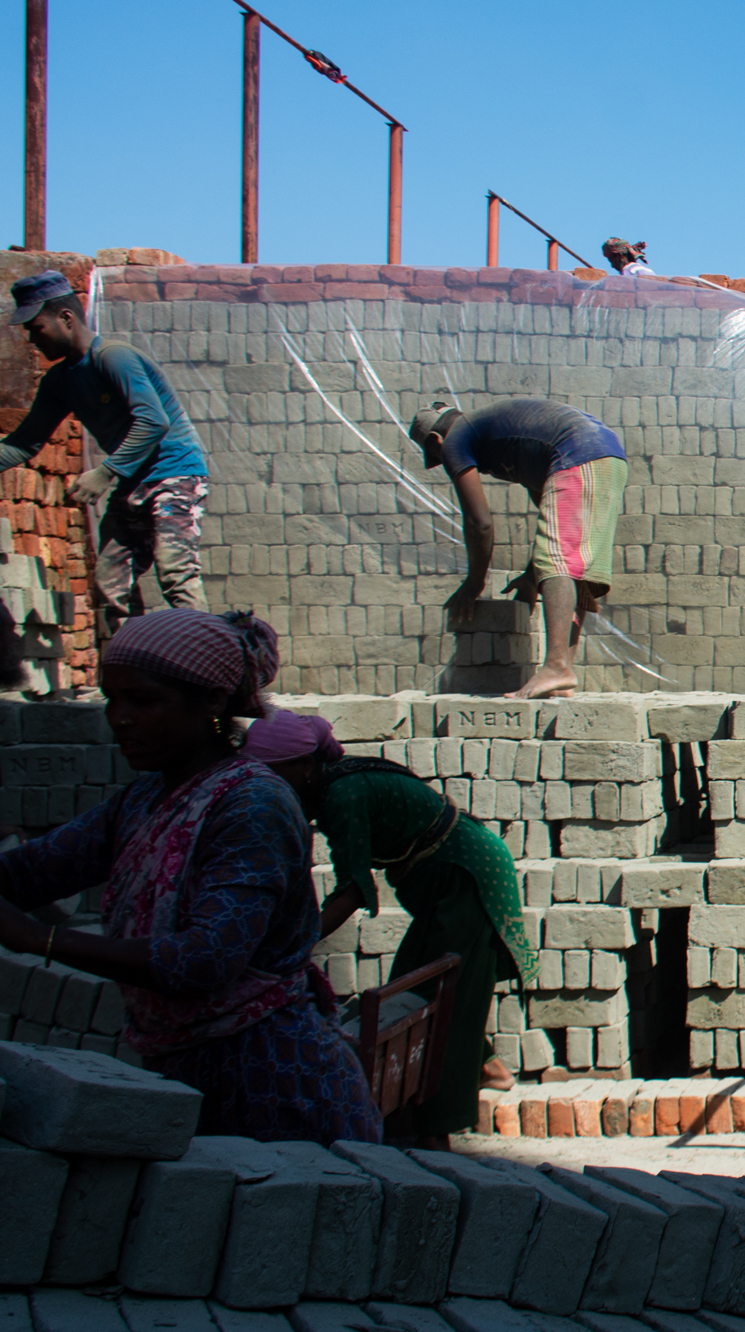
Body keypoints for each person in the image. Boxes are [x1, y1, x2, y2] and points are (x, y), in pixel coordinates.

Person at [0, 609, 380, 1143]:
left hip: (272, 1080)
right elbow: (30, 873)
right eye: (114, 700)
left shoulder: (251, 804)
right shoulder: (144, 799)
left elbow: (204, 959)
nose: (120, 719)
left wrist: (35, 939)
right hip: (183, 1069)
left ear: (212, 704)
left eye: (144, 701)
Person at [242, 710, 535, 1147]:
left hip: (468, 877)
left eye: (272, 774)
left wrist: (292, 945)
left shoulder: (343, 796)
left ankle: (436, 1129)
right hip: (443, 884)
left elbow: (354, 891)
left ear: (304, 766)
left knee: (445, 995)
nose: (265, 785)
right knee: (409, 990)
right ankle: (487, 1066)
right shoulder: (327, 785)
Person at [0, 269, 212, 632]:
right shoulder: (59, 382)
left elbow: (153, 421)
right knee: (111, 581)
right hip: (132, 481)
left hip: (174, 474)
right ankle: (130, 674)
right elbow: (24, 442)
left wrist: (104, 472)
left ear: (66, 318)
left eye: (37, 329)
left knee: (174, 571)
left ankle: (211, 672)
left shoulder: (114, 358)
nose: (34, 341)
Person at [410, 398, 630, 700]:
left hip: (578, 453)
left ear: (436, 440)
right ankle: (562, 674)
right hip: (607, 455)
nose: (444, 462)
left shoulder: (455, 438)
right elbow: (547, 511)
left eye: (437, 455)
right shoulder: (514, 441)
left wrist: (475, 582)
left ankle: (555, 667)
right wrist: (530, 574)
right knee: (576, 566)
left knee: (557, 561)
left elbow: (479, 522)